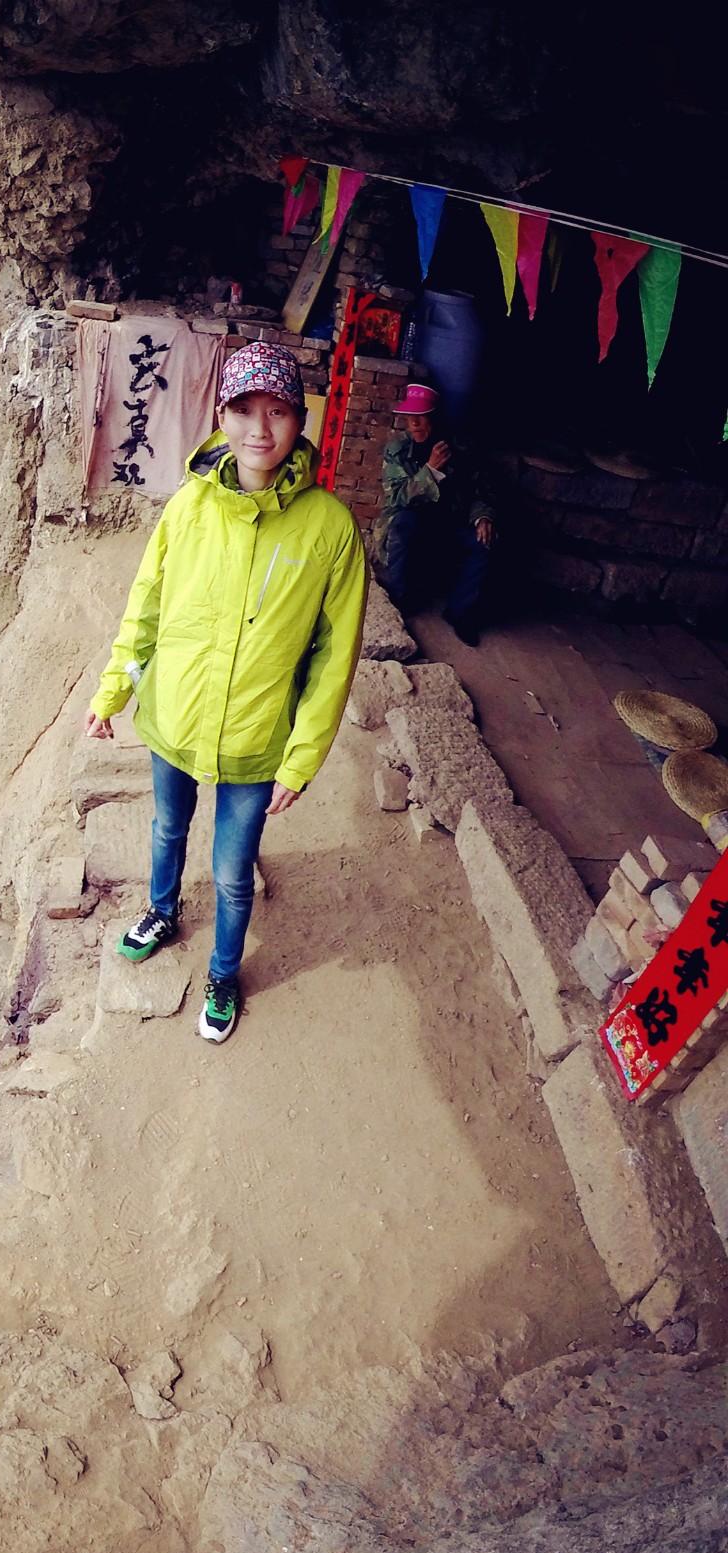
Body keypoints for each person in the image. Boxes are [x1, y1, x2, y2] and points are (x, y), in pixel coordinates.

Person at [82, 342, 367, 1043]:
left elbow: (335, 657)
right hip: (176, 715)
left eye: (277, 412)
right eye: (244, 410)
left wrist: (301, 757)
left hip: (255, 736)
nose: (259, 429)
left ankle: (223, 970)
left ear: (301, 420)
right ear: (221, 415)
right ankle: (160, 908)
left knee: (233, 871)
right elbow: (146, 603)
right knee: (167, 829)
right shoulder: (186, 508)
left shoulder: (330, 529)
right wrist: (115, 685)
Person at [378, 383, 496, 645]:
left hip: (449, 523)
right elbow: (397, 498)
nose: (414, 424)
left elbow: (480, 491)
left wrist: (482, 517)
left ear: (435, 417)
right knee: (402, 524)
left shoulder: (461, 448)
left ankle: (459, 612)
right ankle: (400, 597)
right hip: (414, 521)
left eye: (421, 417)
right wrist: (430, 470)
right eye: (410, 418)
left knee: (483, 542)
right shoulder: (397, 450)